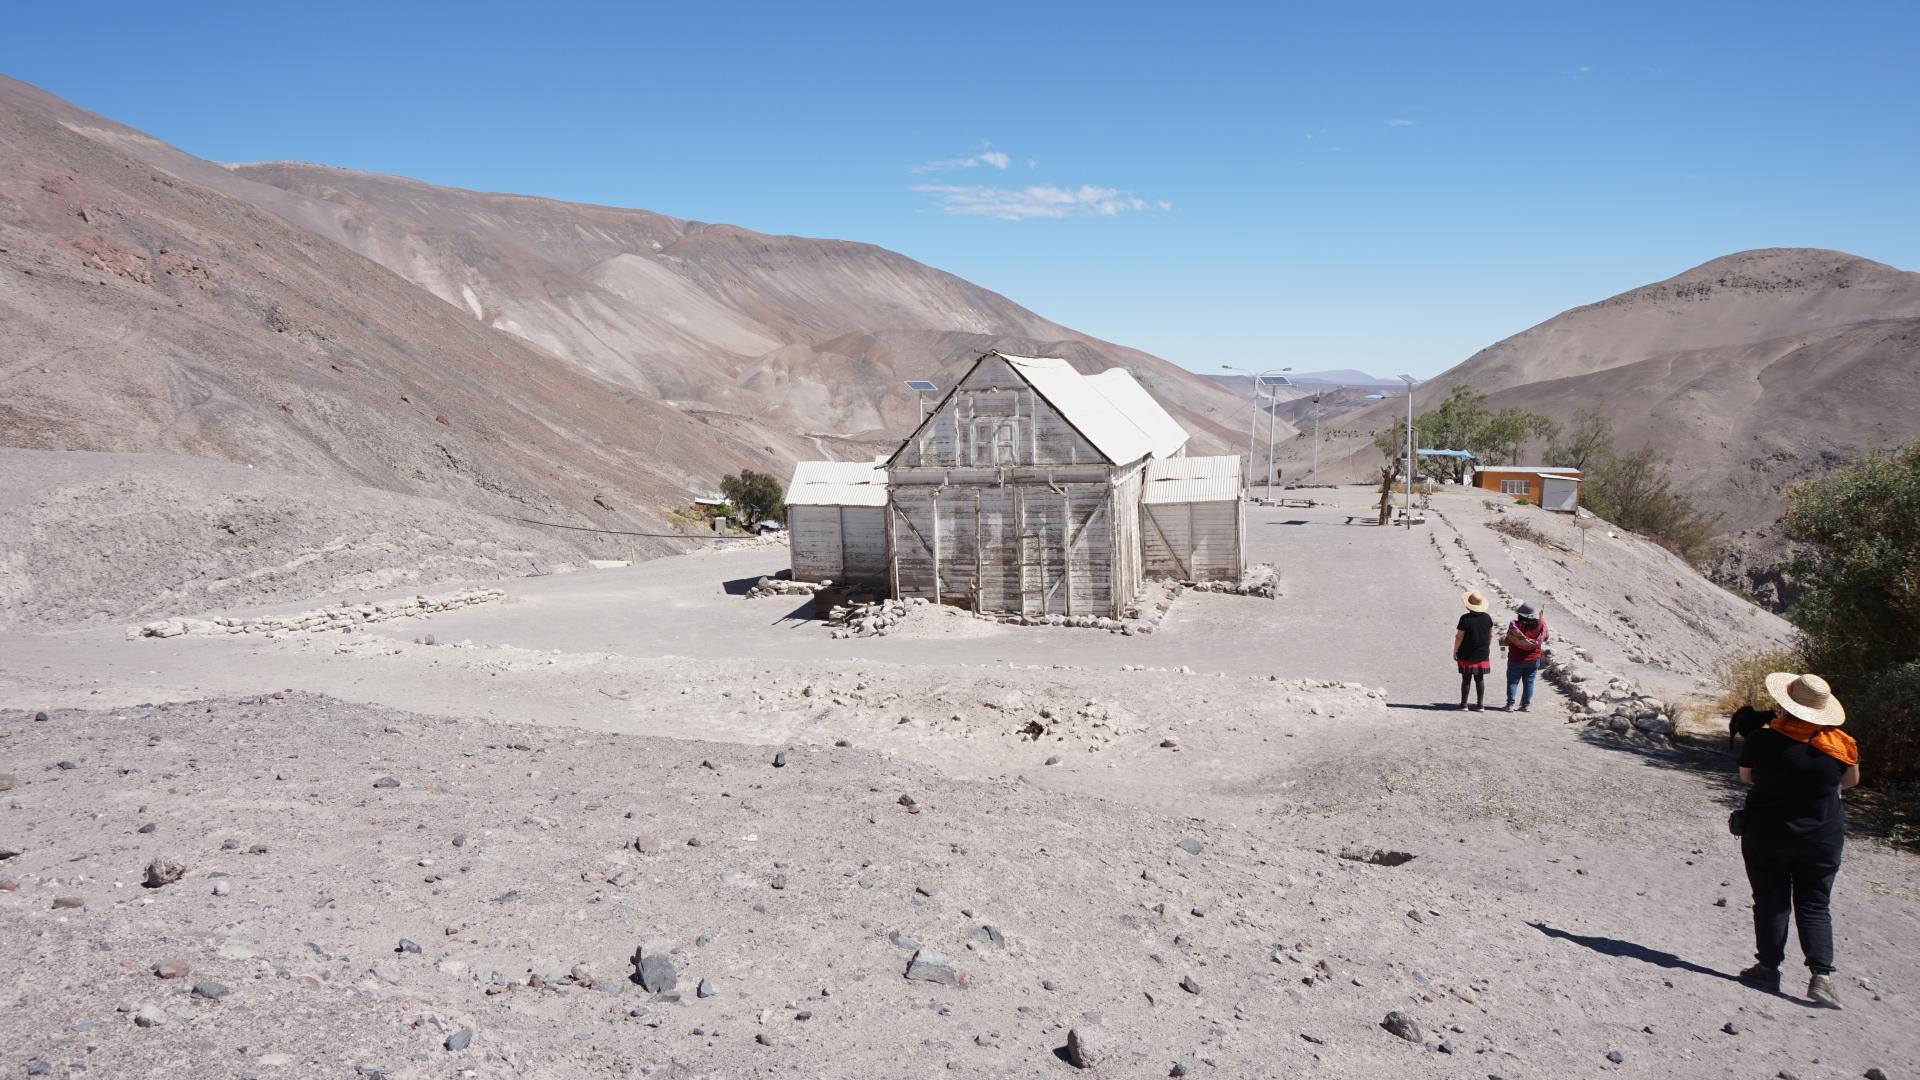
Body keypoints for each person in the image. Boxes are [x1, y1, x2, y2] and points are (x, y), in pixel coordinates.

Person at [1736, 672, 1861, 1009]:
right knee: (1815, 903)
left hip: (1767, 832)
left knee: (1770, 898)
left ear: (1785, 705)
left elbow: (1747, 777)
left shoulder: (1761, 740)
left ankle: (1767, 967)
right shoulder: (1840, 745)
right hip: (1822, 837)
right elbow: (1849, 782)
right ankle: (1821, 977)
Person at [1502, 602, 1549, 711]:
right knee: (1529, 682)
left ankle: (1510, 705)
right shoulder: (1540, 625)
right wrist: (1543, 623)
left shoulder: (1514, 626)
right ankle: (1526, 705)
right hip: (1533, 659)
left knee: (1513, 682)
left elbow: (1507, 640)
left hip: (1515, 658)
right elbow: (1545, 637)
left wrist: (1503, 651)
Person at [1453, 591, 1494, 710]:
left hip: (1466, 653)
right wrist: (1486, 647)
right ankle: (1480, 704)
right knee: (1479, 678)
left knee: (1466, 678)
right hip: (1482, 653)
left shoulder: (1464, 618)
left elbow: (1459, 636)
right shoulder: (1487, 618)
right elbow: (1490, 635)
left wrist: (1455, 650)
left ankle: (1464, 704)